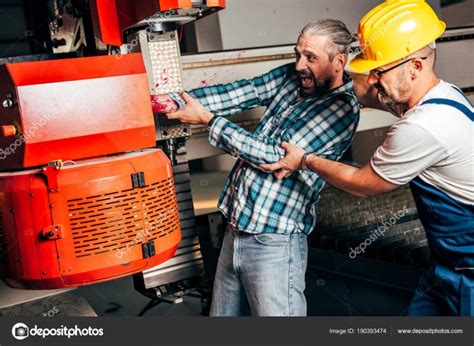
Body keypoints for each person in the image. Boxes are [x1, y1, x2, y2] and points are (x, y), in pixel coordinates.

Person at [261, 0, 474, 316]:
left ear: (415, 66)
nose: (372, 80)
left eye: (379, 70)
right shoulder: (444, 94)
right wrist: (328, 77)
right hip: (446, 266)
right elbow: (373, 93)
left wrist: (305, 159)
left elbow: (361, 184)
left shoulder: (422, 127)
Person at [155, 19, 360, 316]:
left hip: (275, 244)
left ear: (339, 61)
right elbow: (240, 92)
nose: (300, 65)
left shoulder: (340, 108)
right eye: (298, 54)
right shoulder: (294, 78)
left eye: (311, 58)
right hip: (236, 230)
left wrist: (208, 120)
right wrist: (171, 102)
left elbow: (270, 154)